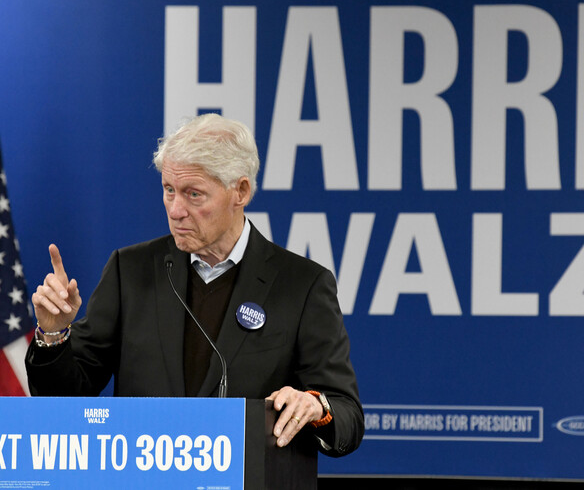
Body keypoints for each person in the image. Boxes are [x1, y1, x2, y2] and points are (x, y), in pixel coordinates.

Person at [25, 113, 364, 457]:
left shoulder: (302, 286)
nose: (175, 210)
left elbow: (347, 415)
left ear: (240, 191)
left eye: (193, 194)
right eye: (169, 190)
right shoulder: (131, 272)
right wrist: (53, 336)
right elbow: (63, 401)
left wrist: (315, 407)